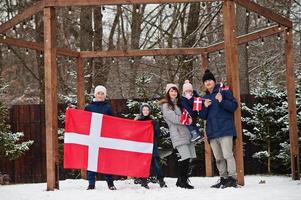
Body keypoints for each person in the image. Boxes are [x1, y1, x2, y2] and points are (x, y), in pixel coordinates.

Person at [199, 69, 238, 188]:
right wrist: (204, 107)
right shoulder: (204, 97)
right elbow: (202, 115)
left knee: (228, 155)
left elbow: (234, 106)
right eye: (206, 81)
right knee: (219, 158)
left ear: (214, 81)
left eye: (210, 80)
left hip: (225, 129)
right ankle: (223, 178)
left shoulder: (223, 91)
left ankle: (232, 178)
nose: (208, 82)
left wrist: (222, 101)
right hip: (212, 132)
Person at [159, 84, 196, 189]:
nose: (174, 93)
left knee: (189, 158)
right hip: (178, 133)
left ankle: (182, 180)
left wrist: (189, 119)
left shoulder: (180, 104)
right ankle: (182, 181)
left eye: (175, 91)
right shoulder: (166, 105)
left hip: (187, 133)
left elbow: (188, 115)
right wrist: (187, 120)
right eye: (171, 91)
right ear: (168, 93)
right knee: (185, 157)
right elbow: (174, 118)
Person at [84, 85, 117, 190]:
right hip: (93, 138)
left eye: (102, 93)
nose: (100, 95)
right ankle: (91, 184)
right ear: (95, 94)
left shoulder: (108, 107)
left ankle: (110, 183)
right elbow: (83, 121)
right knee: (91, 161)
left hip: (104, 138)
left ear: (105, 95)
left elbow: (114, 122)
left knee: (106, 160)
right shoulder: (89, 107)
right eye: (99, 93)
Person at [134, 104, 167, 189]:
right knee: (143, 165)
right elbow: (134, 134)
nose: (145, 111)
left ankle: (161, 181)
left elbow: (158, 134)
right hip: (142, 147)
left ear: (149, 111)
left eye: (147, 110)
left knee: (156, 164)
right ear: (141, 111)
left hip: (152, 147)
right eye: (144, 110)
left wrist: (154, 126)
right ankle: (144, 182)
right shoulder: (137, 121)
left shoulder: (153, 121)